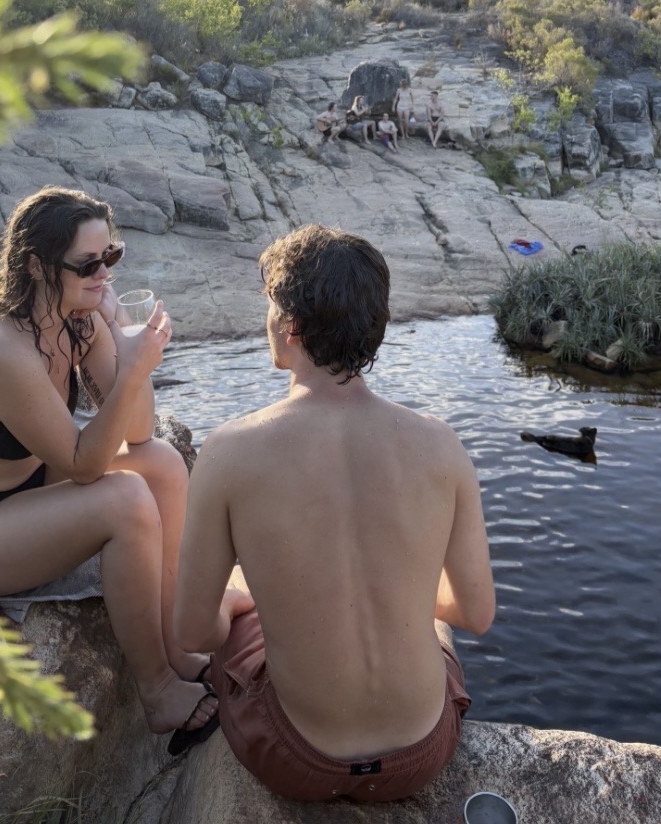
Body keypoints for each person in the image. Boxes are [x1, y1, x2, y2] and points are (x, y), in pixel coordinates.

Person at [173, 225, 495, 803]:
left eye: (270, 304)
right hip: (423, 753)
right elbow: (475, 612)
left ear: (291, 325)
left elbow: (195, 632)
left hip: (299, 760)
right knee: (428, 623)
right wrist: (398, 590)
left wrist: (238, 600)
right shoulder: (442, 445)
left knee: (240, 605)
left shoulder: (230, 451)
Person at [0, 185, 219, 753]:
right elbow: (84, 465)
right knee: (122, 500)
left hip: (22, 496)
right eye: (89, 263)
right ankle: (156, 692)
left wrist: (124, 343)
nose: (104, 273)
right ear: (36, 265)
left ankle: (176, 645)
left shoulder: (75, 319)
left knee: (163, 464)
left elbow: (139, 432)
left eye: (112, 257)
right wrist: (129, 372)